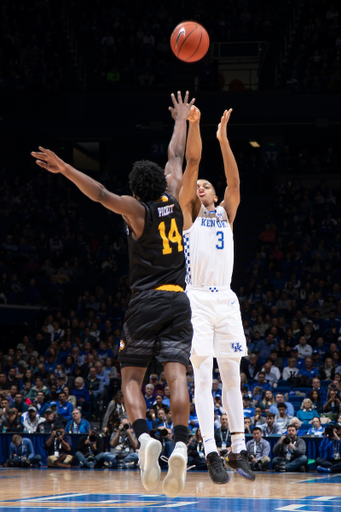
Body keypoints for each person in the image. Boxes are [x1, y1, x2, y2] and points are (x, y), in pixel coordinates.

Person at [32, 91, 195, 498]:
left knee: (131, 379)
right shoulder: (175, 198)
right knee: (177, 375)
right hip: (179, 299)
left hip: (146, 301)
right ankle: (179, 444)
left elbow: (101, 193)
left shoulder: (135, 210)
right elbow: (176, 155)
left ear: (135, 190)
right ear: (160, 182)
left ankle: (144, 440)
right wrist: (181, 119)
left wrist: (66, 167)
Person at [179, 105, 254, 483]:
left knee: (232, 377)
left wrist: (223, 139)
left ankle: (238, 448)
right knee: (203, 375)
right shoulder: (189, 213)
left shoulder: (225, 212)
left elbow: (235, 183)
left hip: (226, 299)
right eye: (199, 185)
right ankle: (210, 449)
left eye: (207, 185)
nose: (202, 187)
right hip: (197, 299)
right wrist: (195, 127)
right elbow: (192, 163)